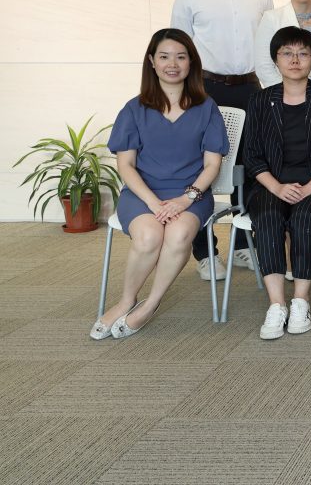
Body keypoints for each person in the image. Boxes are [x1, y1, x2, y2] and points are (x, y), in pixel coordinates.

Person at [91, 29, 228, 340]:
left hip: (191, 194)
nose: (173, 64)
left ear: (191, 63)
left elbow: (212, 165)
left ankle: (151, 303)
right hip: (142, 194)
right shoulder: (134, 108)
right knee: (150, 236)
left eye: (181, 57)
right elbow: (125, 165)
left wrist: (186, 199)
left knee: (179, 235)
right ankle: (127, 299)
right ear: (151, 61)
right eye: (164, 56)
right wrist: (154, 204)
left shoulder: (206, 107)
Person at [170, 0, 272, 280]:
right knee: (201, 169)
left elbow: (267, 47)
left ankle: (244, 247)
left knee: (248, 168)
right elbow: (176, 50)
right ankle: (204, 252)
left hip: (249, 87)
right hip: (204, 89)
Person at [243, 27, 311, 339]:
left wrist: (310, 187)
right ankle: (277, 304)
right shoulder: (261, 100)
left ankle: (300, 299)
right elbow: (251, 156)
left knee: (305, 216)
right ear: (275, 60)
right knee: (266, 216)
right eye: (287, 53)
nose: (295, 59)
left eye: (303, 53)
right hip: (271, 183)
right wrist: (276, 187)